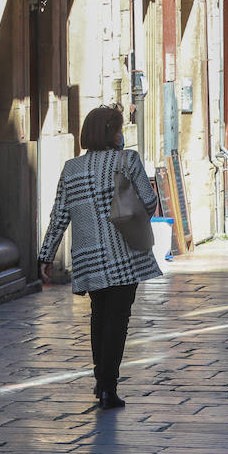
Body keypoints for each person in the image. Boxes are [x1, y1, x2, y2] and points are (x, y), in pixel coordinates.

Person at [38, 105, 161, 410]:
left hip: (88, 255)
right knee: (118, 320)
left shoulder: (71, 168)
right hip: (123, 253)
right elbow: (148, 202)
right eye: (119, 129)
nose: (122, 135)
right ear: (112, 133)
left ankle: (100, 381)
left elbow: (59, 215)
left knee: (99, 316)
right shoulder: (127, 160)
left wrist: (46, 255)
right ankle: (108, 386)